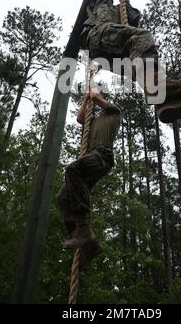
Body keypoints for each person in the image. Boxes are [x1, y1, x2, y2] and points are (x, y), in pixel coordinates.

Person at [81, 0, 181, 123]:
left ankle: (164, 103)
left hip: (109, 54)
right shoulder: (102, 7)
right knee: (142, 36)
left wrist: (127, 3)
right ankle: (155, 87)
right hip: (99, 35)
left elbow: (133, 20)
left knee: (135, 68)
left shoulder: (120, 15)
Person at [58, 89, 122, 266]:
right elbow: (80, 118)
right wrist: (85, 99)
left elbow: (96, 97)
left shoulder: (114, 113)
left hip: (102, 156)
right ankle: (87, 241)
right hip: (92, 158)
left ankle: (84, 230)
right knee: (63, 197)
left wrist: (92, 94)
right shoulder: (92, 121)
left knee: (72, 169)